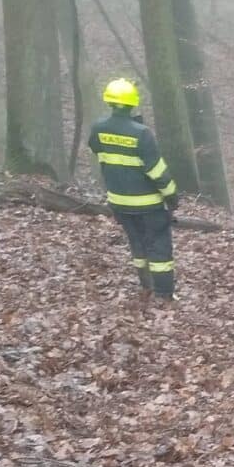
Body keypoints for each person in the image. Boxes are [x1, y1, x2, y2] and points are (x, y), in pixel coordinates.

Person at [88, 78, 178, 300]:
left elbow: (96, 148)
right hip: (149, 204)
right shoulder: (142, 133)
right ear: (132, 103)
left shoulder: (99, 128)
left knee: (137, 243)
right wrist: (172, 197)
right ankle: (164, 294)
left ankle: (145, 285)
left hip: (119, 202)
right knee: (159, 249)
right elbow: (157, 172)